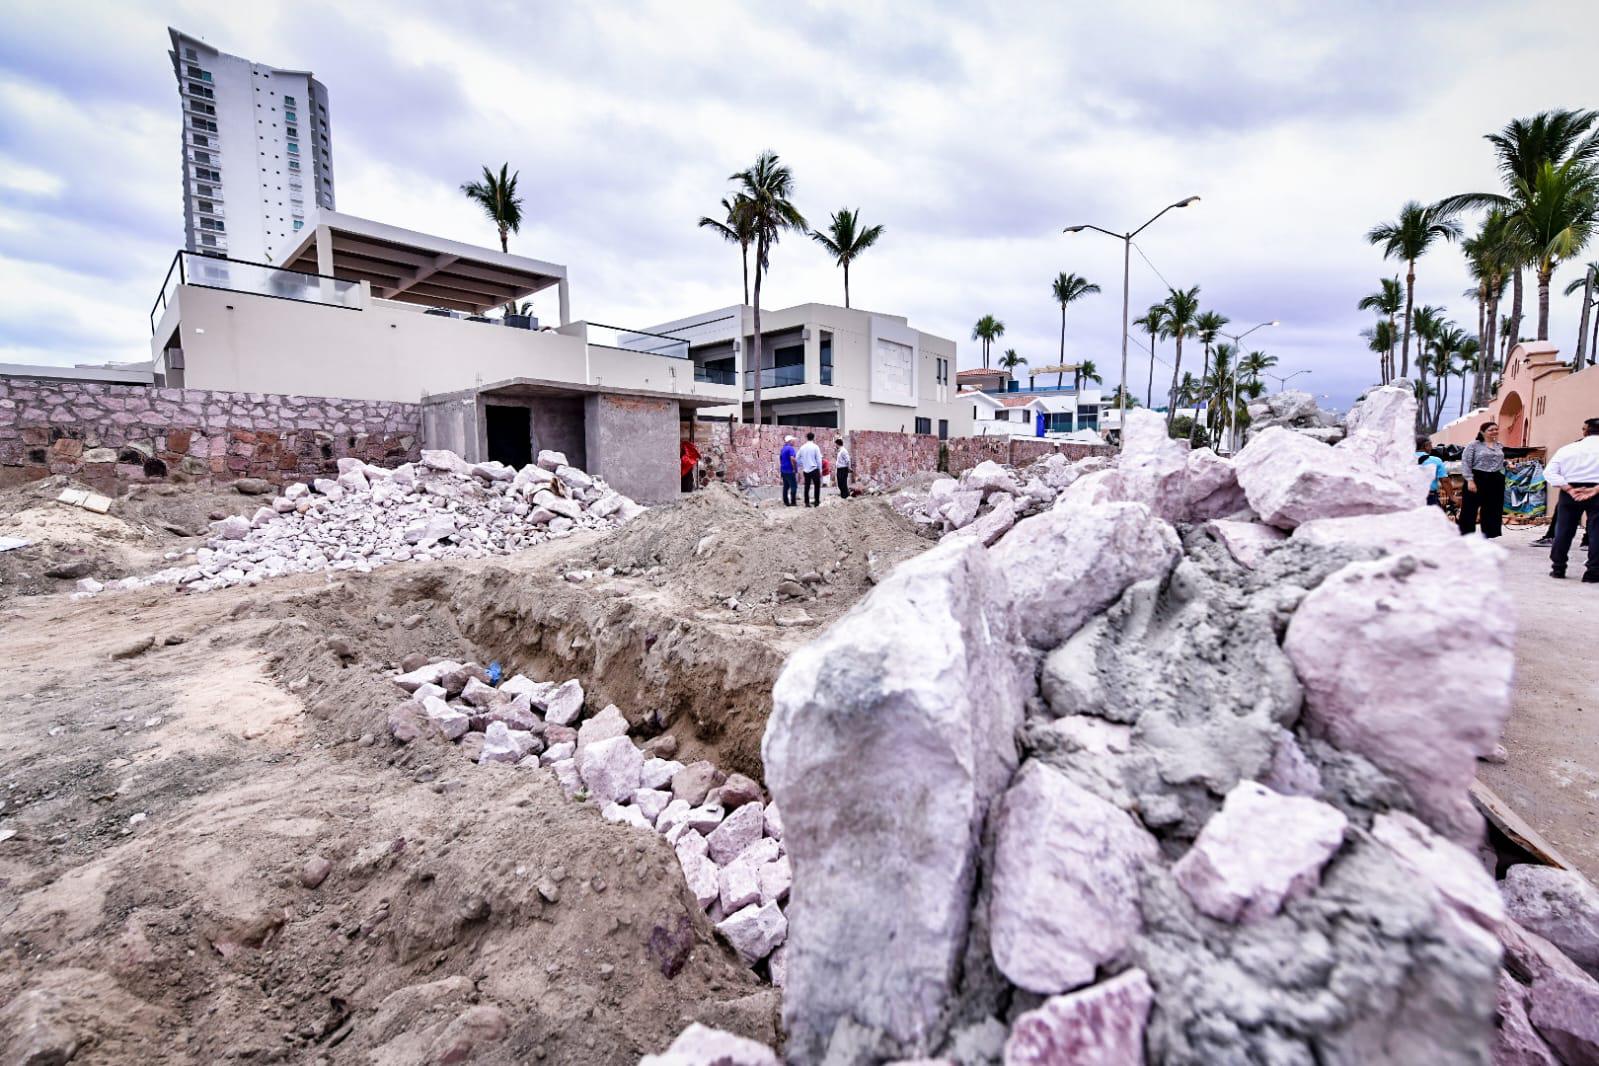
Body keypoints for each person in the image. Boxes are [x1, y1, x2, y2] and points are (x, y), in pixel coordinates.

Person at [1545, 416, 1599, 581]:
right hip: (1597, 491)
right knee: (1597, 531)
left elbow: (1549, 473)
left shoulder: (1567, 449)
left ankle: (1558, 568)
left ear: (1585, 431)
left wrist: (1568, 488)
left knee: (1564, 530)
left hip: (1571, 490)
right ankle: (1593, 572)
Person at [1458, 421, 1506, 538]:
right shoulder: (1474, 445)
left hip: (1495, 479)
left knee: (1492, 507)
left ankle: (1488, 534)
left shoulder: (1499, 445)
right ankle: (1466, 535)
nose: (1494, 431)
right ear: (1482, 432)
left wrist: (1507, 464)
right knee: (1470, 508)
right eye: (1491, 430)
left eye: (1496, 429)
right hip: (1477, 477)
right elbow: (1466, 462)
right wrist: (1470, 480)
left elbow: (1497, 461)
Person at [1416, 436, 1447, 508]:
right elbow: (1445, 481)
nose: (1432, 447)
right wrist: (1452, 496)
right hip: (1430, 498)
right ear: (1426, 446)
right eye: (1430, 445)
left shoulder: (1404, 460)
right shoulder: (1435, 460)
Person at [797, 432, 823, 507]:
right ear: (813, 438)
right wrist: (820, 470)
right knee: (817, 486)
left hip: (806, 470)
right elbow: (819, 460)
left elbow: (797, 457)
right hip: (814, 469)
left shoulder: (802, 447)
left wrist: (802, 464)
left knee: (807, 486)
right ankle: (816, 502)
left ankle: (807, 502)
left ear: (806, 438)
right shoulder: (815, 447)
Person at [779, 435, 799, 507]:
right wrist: (795, 468)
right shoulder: (791, 448)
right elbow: (792, 458)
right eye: (793, 440)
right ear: (790, 441)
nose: (794, 442)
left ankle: (786, 502)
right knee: (794, 486)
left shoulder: (783, 449)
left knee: (786, 486)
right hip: (790, 470)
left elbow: (781, 459)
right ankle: (793, 502)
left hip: (783, 470)